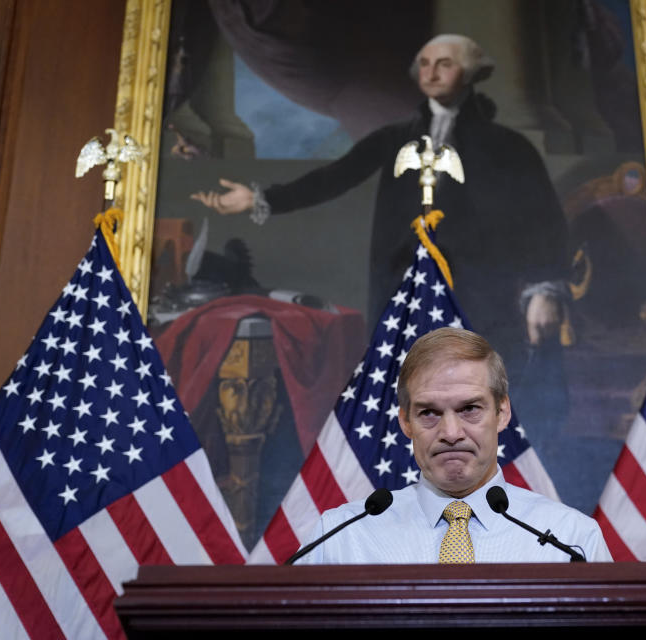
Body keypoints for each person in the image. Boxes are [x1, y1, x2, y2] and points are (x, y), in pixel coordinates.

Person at [191, 35, 570, 374]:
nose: (431, 72)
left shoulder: (508, 147)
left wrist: (543, 290)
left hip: (482, 293)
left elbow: (542, 220)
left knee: (477, 390)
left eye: (445, 63)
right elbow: (333, 178)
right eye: (424, 63)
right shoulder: (395, 138)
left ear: (470, 73)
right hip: (405, 287)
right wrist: (261, 198)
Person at [294, 327, 611, 563]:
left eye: (469, 409)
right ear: (406, 422)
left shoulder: (572, 541)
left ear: (502, 413)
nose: (450, 432)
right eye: (429, 412)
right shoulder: (338, 539)